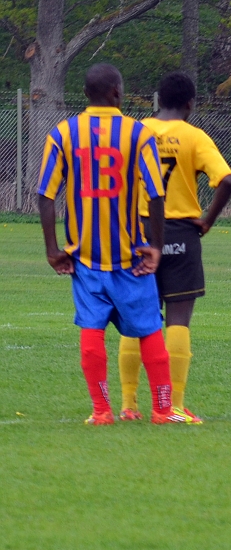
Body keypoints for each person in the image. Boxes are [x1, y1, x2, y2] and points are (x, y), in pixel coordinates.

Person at [36, 63, 189, 425]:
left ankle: (102, 411)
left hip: (85, 257)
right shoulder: (137, 133)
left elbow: (45, 194)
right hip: (130, 256)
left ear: (87, 94)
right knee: (150, 329)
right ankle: (163, 411)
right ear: (117, 93)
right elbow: (155, 193)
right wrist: (155, 245)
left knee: (91, 332)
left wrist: (52, 249)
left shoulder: (63, 133)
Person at [117, 72, 231, 423]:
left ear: (157, 101)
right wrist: (208, 220)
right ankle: (175, 405)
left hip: (139, 233)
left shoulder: (136, 131)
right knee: (178, 319)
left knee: (134, 319)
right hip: (181, 234)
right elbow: (226, 180)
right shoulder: (194, 137)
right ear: (189, 104)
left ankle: (128, 405)